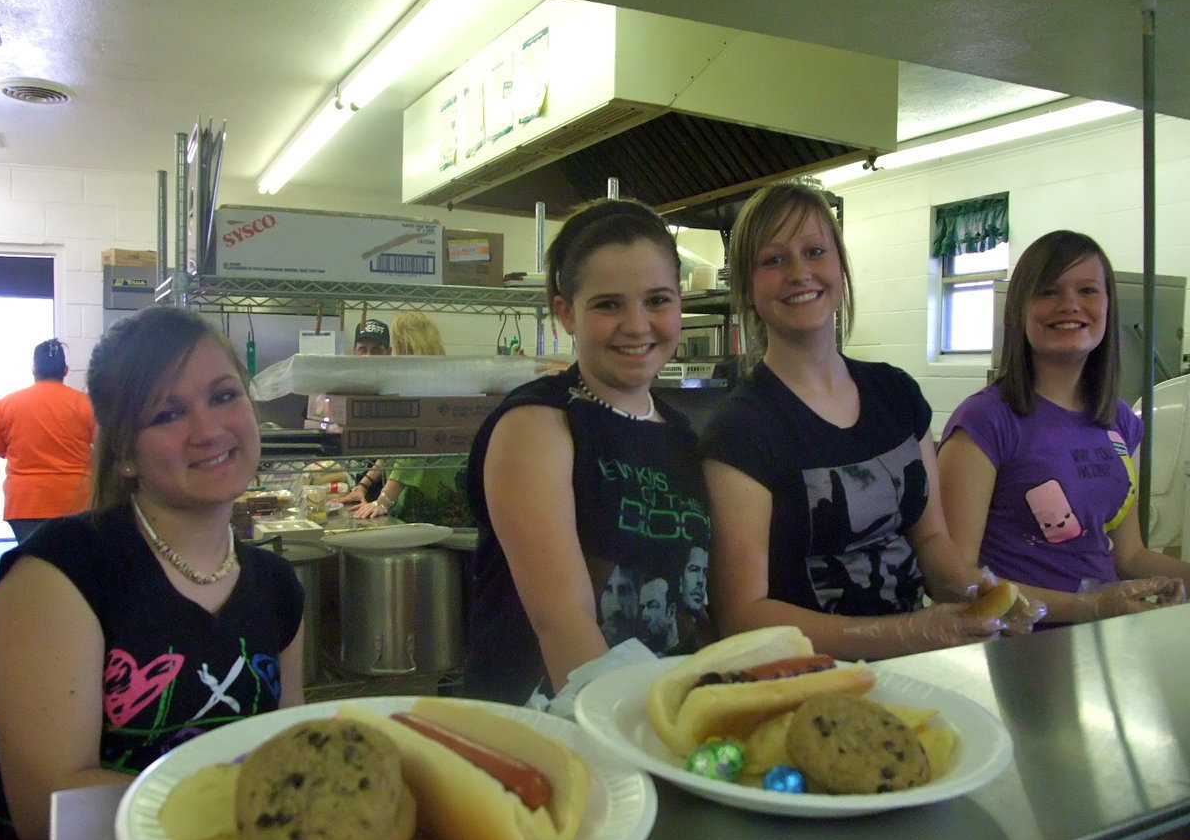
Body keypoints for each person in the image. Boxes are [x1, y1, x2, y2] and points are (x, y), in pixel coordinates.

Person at [0, 306, 305, 840]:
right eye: (167, 413)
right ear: (126, 454)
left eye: (223, 396)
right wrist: (239, 800)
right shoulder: (62, 571)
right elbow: (45, 808)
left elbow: (287, 755)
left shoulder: (277, 586)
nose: (208, 430)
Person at [700, 183, 1036, 661]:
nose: (799, 273)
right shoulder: (740, 429)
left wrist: (975, 593)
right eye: (773, 260)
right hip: (806, 680)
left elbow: (933, 539)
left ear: (839, 267)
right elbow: (742, 615)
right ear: (749, 290)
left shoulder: (896, 394)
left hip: (918, 666)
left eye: (815, 251)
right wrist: (907, 632)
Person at [463, 198, 710, 704]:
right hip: (555, 725)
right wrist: (638, 734)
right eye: (608, 304)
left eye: (657, 300)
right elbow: (563, 622)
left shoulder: (681, 434)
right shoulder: (536, 426)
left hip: (660, 708)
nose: (638, 325)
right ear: (565, 314)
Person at [938, 230, 1188, 623]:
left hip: (1106, 638)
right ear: (1020, 310)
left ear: (1108, 306)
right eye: (1048, 292)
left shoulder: (1119, 420)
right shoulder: (985, 421)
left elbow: (1130, 556)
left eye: (1087, 290)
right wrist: (1089, 606)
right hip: (1021, 648)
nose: (1070, 305)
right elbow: (954, 579)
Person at [340, 312, 473, 527]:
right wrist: (363, 485)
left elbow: (414, 452)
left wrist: (383, 501)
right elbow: (397, 447)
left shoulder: (425, 386)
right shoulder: (423, 379)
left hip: (434, 507)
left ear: (405, 345)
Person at [0, 339, 96, 543]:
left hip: (24, 504)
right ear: (65, 370)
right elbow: (106, 446)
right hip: (75, 501)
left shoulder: (6, 406)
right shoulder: (85, 404)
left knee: (34, 566)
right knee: (72, 567)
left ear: (33, 369)